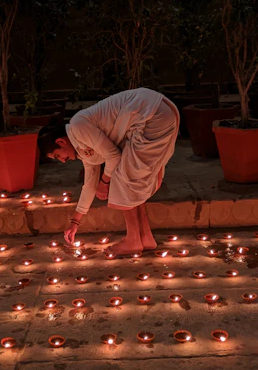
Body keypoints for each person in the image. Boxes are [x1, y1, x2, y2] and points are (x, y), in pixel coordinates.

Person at [39, 87, 180, 256]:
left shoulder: (77, 126)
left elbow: (113, 156)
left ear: (61, 142)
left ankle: (133, 240)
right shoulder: (82, 146)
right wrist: (75, 222)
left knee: (121, 179)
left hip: (151, 114)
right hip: (160, 111)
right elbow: (89, 185)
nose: (62, 160)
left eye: (57, 156)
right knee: (130, 181)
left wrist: (104, 181)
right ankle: (145, 238)